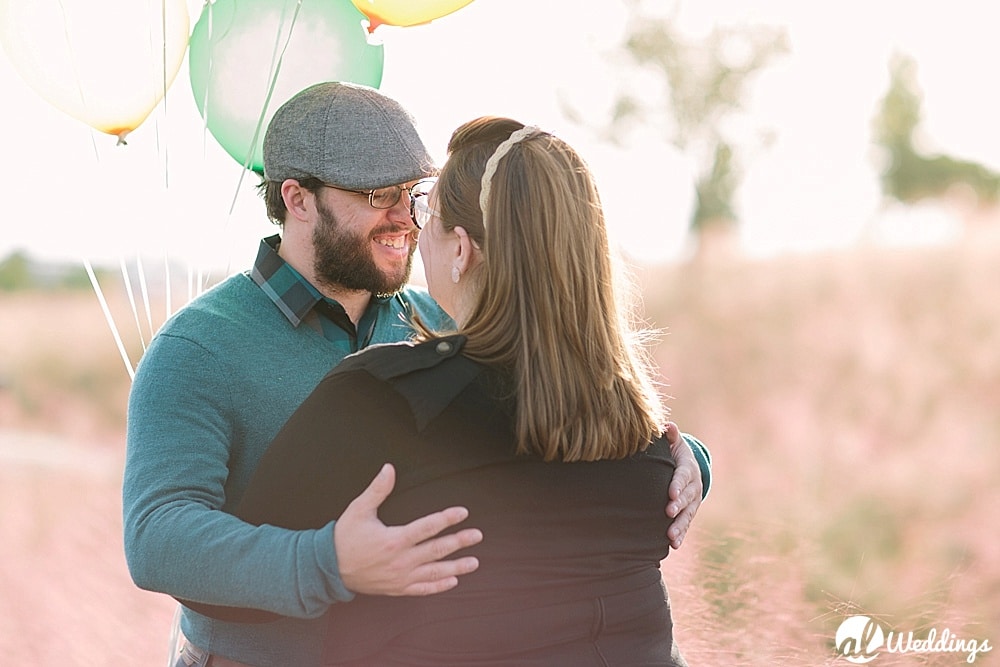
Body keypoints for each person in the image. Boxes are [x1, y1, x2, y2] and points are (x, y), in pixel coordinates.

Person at [123, 82, 708, 667]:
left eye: (414, 193)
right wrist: (327, 562)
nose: (406, 217)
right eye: (380, 195)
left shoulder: (441, 327)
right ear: (298, 200)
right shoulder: (198, 346)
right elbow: (158, 535)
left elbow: (552, 435)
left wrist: (682, 460)